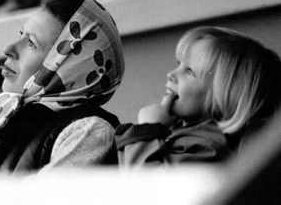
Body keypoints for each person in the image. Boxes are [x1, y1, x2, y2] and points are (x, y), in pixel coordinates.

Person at [0, 0, 124, 177]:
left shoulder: (89, 131)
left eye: (31, 43)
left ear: (68, 65)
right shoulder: (8, 121)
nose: (9, 49)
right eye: (21, 34)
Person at [115, 26, 281, 168]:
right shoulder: (179, 131)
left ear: (223, 98)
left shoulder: (206, 147)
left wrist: (146, 131)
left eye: (189, 72)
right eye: (178, 64)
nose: (171, 74)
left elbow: (147, 192)